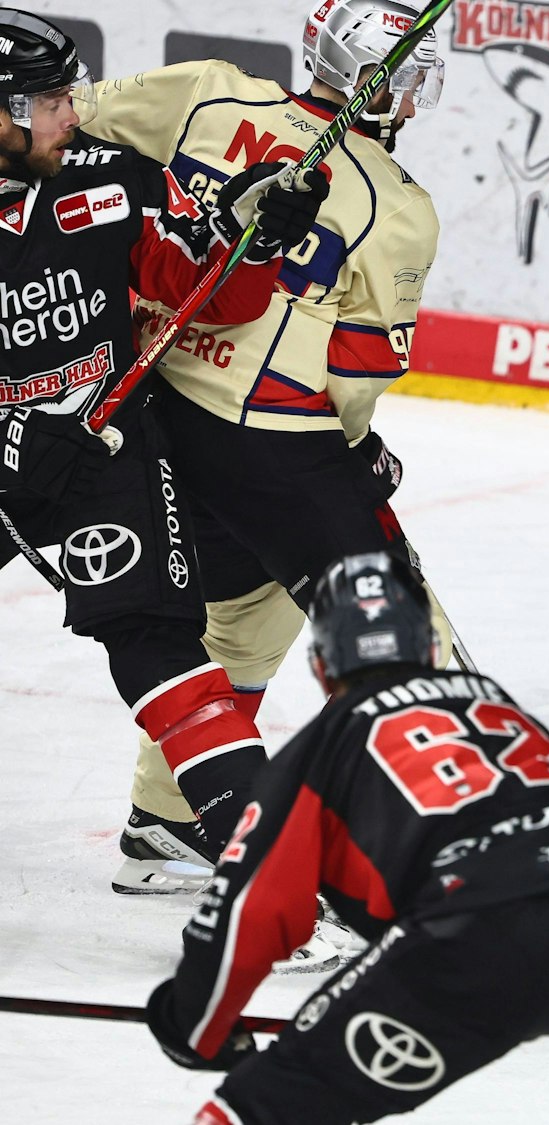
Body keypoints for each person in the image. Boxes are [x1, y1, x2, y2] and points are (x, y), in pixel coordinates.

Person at [145, 553, 549, 1125]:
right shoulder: (496, 707)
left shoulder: (320, 747)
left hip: (475, 936)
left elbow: (251, 912)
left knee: (261, 1106)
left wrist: (194, 1025)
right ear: (428, 647)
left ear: (322, 664)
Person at [85, 0, 450, 898]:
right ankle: (450, 852)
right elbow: (356, 375)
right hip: (266, 438)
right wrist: (353, 456)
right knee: (402, 628)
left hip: (143, 407)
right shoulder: (397, 208)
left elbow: (73, 134)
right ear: (397, 88)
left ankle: (168, 819)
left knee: (250, 606)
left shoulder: (204, 93)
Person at [0, 10, 326, 861]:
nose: (73, 111)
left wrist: (254, 238)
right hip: (20, 447)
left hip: (97, 445)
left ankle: (255, 860)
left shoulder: (105, 177)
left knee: (154, 637)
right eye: (46, 99)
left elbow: (207, 291)